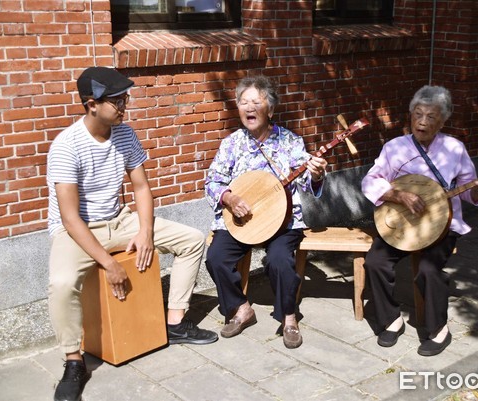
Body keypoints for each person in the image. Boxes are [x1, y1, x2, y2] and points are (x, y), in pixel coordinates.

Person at [47, 67, 218, 401]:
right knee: (62, 284)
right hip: (77, 231)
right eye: (115, 100)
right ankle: (73, 360)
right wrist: (109, 265)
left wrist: (145, 231)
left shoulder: (124, 134)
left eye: (124, 98)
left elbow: (141, 188)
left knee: (192, 240)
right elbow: (69, 218)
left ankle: (174, 322)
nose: (123, 105)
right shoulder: (66, 146)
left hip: (118, 220)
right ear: (91, 104)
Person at [361, 85, 478, 356]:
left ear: (443, 121)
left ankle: (438, 330)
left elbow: (468, 190)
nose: (422, 122)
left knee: (427, 269)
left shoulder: (454, 148)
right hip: (403, 224)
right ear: (410, 115)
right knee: (375, 262)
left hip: (442, 225)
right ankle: (391, 319)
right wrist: (398, 195)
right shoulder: (395, 147)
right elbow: (370, 180)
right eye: (418, 114)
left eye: (431, 116)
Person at [204, 75, 327, 349]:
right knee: (216, 257)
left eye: (256, 102)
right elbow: (213, 181)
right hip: (243, 219)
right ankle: (240, 308)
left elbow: (307, 182)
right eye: (243, 102)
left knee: (279, 260)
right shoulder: (232, 144)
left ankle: (289, 316)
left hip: (282, 220)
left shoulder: (290, 142)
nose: (249, 107)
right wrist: (229, 198)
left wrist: (316, 174)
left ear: (269, 109)